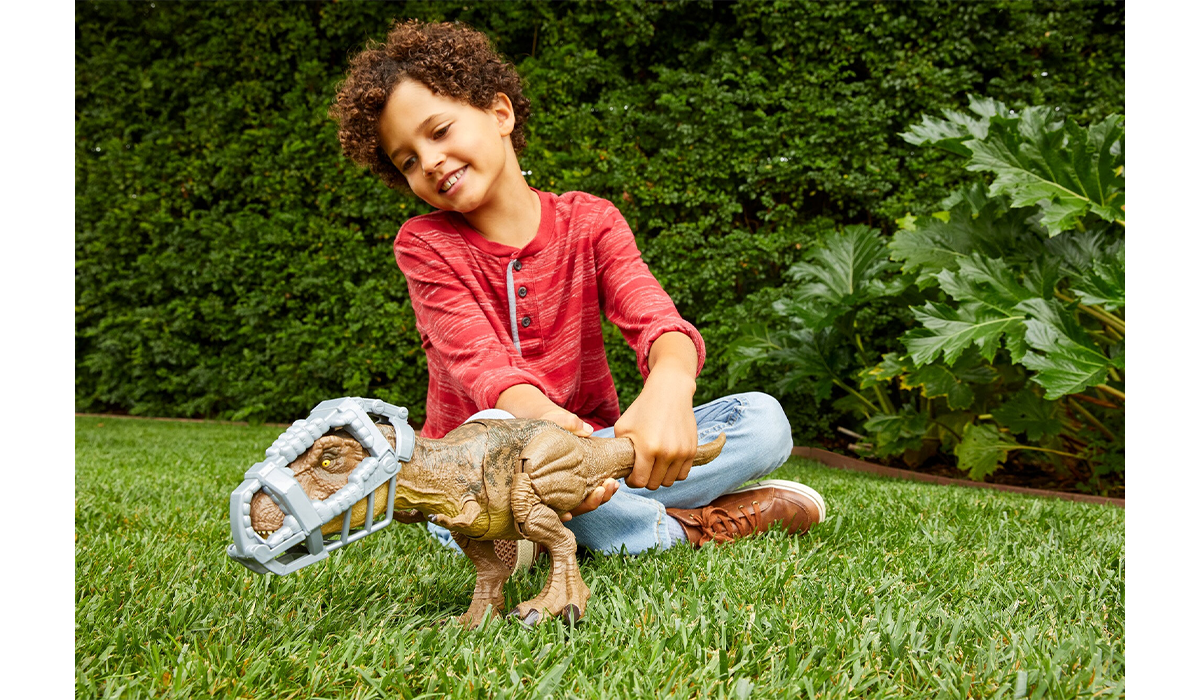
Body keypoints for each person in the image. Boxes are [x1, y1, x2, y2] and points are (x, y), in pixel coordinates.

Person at [330, 19, 825, 571]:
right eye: (408, 160)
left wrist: (669, 386)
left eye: (439, 131)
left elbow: (657, 319)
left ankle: (599, 518)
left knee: (764, 421)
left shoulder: (591, 221)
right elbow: (479, 364)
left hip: (597, 452)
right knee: (509, 456)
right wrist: (552, 441)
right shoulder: (424, 244)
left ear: (500, 113)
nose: (430, 161)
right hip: (478, 473)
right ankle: (684, 529)